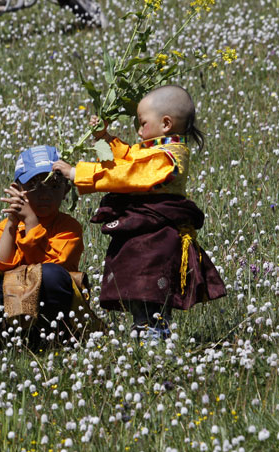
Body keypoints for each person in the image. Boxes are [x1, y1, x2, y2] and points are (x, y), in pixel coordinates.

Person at [53, 85, 226, 340]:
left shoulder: (167, 158)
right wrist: (105, 137)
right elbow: (129, 157)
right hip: (145, 231)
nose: (138, 130)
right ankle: (145, 332)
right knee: (139, 283)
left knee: (150, 285)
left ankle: (154, 337)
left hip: (156, 236)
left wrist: (78, 173)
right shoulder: (153, 149)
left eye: (143, 123)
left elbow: (129, 174)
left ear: (166, 123)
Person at [0, 145, 104, 352]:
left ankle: (53, 338)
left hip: (51, 311)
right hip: (10, 306)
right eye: (35, 186)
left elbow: (50, 269)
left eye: (54, 186)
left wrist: (32, 222)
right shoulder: (5, 227)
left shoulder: (69, 227)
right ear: (17, 190)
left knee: (51, 275)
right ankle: (3, 337)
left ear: (66, 191)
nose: (45, 195)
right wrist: (12, 223)